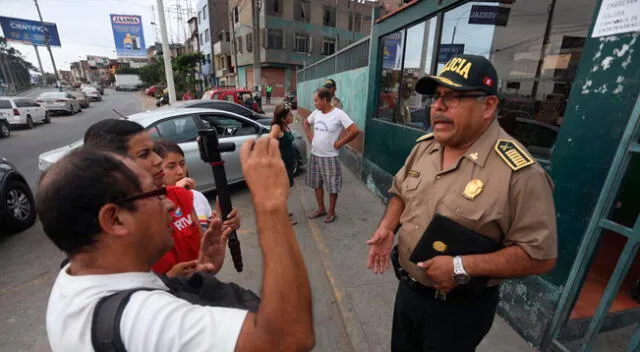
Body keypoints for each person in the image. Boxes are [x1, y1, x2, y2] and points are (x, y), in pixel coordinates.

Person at [38, 140, 315, 351]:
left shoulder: (73, 278)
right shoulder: (143, 318)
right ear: (115, 219)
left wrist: (185, 278)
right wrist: (270, 204)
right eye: (157, 194)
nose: (170, 204)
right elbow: (289, 337)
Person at [366, 54, 558, 352]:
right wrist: (387, 227)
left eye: (454, 97)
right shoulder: (426, 148)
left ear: (489, 106)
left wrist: (460, 266)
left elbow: (541, 255)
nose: (438, 106)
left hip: (458, 311)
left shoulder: (520, 174)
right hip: (407, 291)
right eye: (436, 96)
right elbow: (401, 191)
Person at [83, 119, 240, 277]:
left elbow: (204, 263)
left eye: (154, 151)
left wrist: (218, 235)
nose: (158, 160)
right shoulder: (105, 232)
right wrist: (170, 282)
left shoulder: (182, 196)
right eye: (144, 154)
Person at [303, 88, 360, 223]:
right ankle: (321, 209)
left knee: (332, 186)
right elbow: (306, 122)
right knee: (317, 184)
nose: (315, 104)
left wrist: (340, 143)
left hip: (330, 157)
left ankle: (331, 212)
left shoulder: (339, 114)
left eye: (316, 100)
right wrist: (310, 137)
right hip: (315, 155)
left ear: (324, 100)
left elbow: (354, 130)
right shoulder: (317, 113)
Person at [154, 139, 212, 230]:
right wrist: (176, 194)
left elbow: (208, 235)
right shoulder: (156, 206)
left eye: (182, 164)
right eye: (171, 166)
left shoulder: (197, 196)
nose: (180, 171)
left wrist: (222, 224)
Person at [269, 102, 298, 225]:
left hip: (289, 162)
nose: (292, 117)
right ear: (282, 118)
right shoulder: (277, 127)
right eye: (289, 115)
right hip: (282, 165)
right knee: (282, 190)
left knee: (285, 189)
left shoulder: (285, 126)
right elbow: (270, 142)